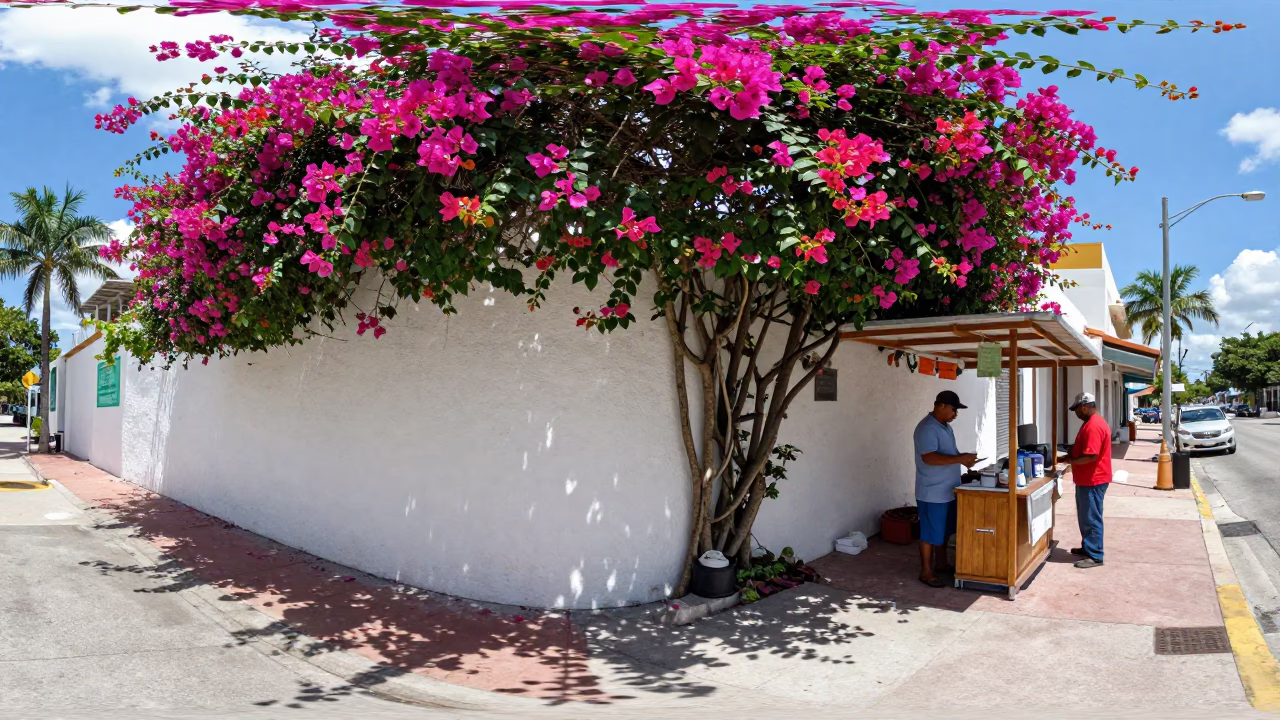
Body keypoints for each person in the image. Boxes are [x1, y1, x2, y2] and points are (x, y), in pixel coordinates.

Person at [913, 390, 979, 588]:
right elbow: (929, 457)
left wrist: (964, 458)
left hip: (949, 489)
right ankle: (926, 571)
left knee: (944, 531)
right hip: (932, 492)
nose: (955, 414)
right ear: (940, 405)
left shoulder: (945, 427)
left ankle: (941, 563)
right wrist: (960, 459)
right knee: (929, 533)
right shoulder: (927, 428)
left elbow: (949, 454)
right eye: (953, 409)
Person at [1061, 391, 1112, 569]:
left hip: (1093, 479)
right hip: (1087, 479)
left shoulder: (1093, 425)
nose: (1076, 414)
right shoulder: (1091, 423)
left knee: (1091, 517)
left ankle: (1095, 555)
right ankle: (1088, 547)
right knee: (1086, 516)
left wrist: (1071, 461)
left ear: (1084, 407)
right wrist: (1070, 452)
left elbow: (1090, 455)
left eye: (1077, 410)